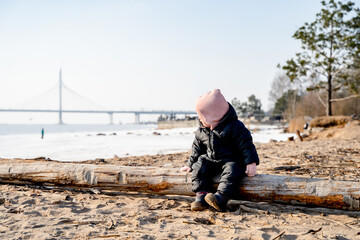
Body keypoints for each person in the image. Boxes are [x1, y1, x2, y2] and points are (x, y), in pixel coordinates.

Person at [181, 89, 259, 212]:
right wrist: (190, 164)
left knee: (232, 170)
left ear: (214, 116)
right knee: (200, 165)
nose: (199, 119)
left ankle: (221, 198)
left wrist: (251, 162)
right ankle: (201, 195)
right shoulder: (202, 130)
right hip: (212, 160)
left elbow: (246, 145)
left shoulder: (235, 127)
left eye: (202, 116)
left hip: (231, 160)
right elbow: (197, 148)